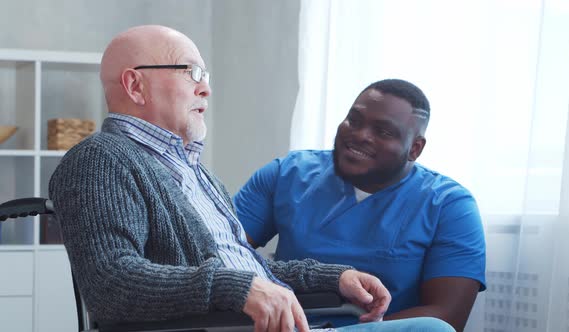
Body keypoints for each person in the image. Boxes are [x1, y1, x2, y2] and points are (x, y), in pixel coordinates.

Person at [48, 26, 455, 332]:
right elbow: (112, 284)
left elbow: (251, 269)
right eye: (191, 72)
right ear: (135, 85)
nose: (205, 88)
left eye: (205, 74)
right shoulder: (100, 160)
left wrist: (336, 277)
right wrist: (235, 288)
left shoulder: (195, 173)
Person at [234, 79, 486, 332]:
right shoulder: (285, 175)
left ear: (415, 149)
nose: (360, 135)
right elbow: (215, 252)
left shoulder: (449, 205)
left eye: (384, 131)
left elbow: (447, 316)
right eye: (353, 120)